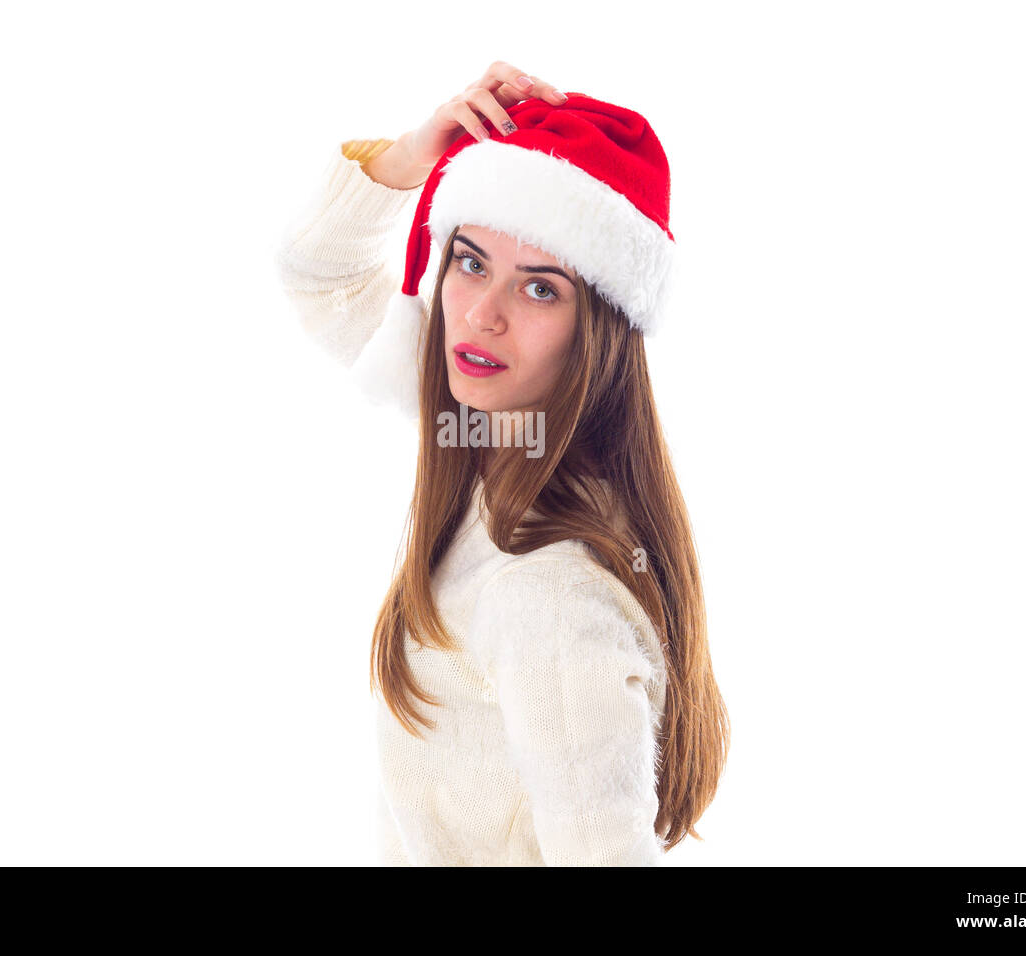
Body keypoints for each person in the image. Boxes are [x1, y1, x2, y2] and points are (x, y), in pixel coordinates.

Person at [277, 61, 729, 866]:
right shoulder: (492, 436)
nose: (482, 315)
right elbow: (319, 275)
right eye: (471, 261)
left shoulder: (547, 590)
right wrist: (415, 155)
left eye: (541, 289)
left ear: (597, 329)